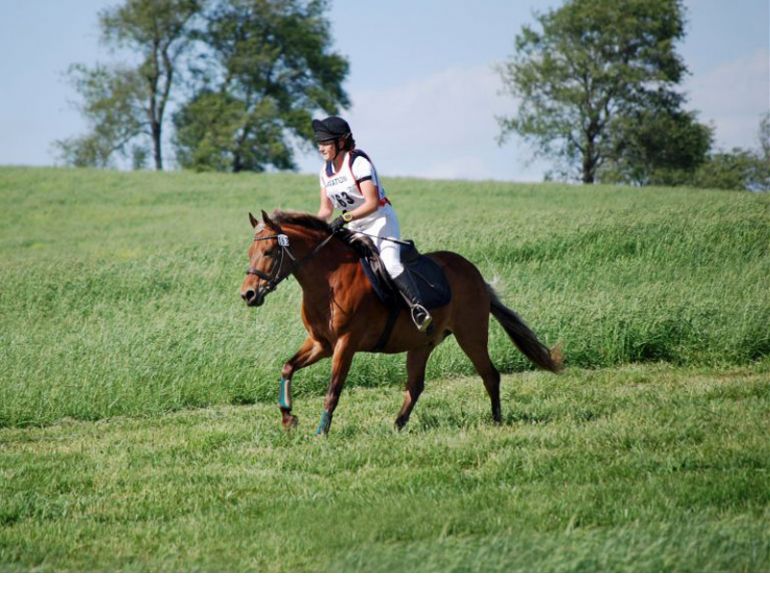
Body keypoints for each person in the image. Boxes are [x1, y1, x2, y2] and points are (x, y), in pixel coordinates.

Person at [312, 115, 432, 332]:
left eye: (326, 142)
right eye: (319, 142)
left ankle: (418, 308)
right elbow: (326, 210)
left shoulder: (357, 163)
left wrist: (344, 218)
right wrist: (312, 226)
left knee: (390, 262)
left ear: (341, 142)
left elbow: (372, 203)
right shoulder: (324, 172)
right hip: (354, 226)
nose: (321, 147)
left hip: (379, 220)